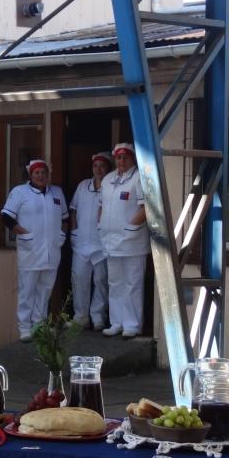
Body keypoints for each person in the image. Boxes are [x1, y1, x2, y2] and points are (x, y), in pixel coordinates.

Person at [0, 159, 69, 342]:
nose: (41, 176)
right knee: (27, 290)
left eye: (44, 173)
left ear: (48, 175)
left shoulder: (57, 192)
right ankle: (24, 327)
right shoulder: (19, 192)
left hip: (52, 249)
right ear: (30, 174)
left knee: (45, 289)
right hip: (30, 249)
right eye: (37, 173)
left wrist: (62, 235)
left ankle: (39, 324)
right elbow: (7, 217)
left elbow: (65, 218)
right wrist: (24, 234)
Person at [98, 142, 149, 338]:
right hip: (110, 242)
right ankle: (116, 322)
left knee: (132, 284)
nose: (121, 161)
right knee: (115, 283)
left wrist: (130, 228)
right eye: (118, 158)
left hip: (132, 242)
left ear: (132, 158)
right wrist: (101, 225)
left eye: (125, 157)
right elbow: (101, 206)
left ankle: (132, 324)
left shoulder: (139, 178)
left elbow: (146, 208)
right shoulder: (107, 179)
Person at [68, 152, 113, 330]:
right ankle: (81, 317)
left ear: (108, 168)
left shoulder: (111, 186)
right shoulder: (83, 185)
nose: (98, 169)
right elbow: (73, 209)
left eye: (102, 166)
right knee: (79, 280)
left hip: (101, 243)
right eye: (95, 166)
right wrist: (74, 230)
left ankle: (98, 317)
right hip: (81, 242)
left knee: (101, 281)